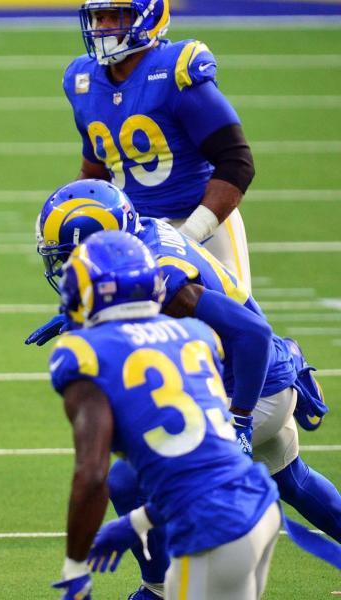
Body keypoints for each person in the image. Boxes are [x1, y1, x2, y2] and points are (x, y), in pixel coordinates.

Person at [30, 179, 338, 599]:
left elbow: (251, 332)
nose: (64, 269)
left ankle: (158, 587)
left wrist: (240, 419)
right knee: (290, 479)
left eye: (69, 257)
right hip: (257, 374)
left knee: (128, 478)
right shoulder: (146, 235)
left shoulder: (164, 278)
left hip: (250, 385)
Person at [65, 0, 255, 292]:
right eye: (98, 18)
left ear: (148, 18)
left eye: (114, 17)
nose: (101, 27)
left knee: (235, 328)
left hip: (201, 224)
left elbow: (236, 162)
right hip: (135, 232)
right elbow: (96, 172)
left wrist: (189, 236)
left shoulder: (173, 70)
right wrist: (68, 216)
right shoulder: (84, 79)